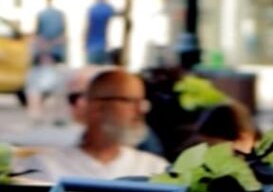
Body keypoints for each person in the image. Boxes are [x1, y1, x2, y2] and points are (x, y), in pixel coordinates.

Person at [24, 68, 167, 180]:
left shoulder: (156, 169)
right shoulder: (43, 168)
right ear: (97, 106)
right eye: (130, 101)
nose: (140, 110)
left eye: (141, 102)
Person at [26, 0, 68, 123]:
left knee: (35, 86)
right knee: (59, 86)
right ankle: (59, 116)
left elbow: (38, 35)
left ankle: (36, 115)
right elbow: (63, 35)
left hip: (43, 53)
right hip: (56, 53)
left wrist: (44, 50)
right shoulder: (60, 15)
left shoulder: (41, 14)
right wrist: (53, 47)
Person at [84, 0, 118, 65]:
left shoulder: (92, 9)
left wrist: (84, 43)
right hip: (103, 47)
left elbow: (88, 27)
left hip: (91, 47)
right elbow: (119, 13)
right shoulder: (108, 8)